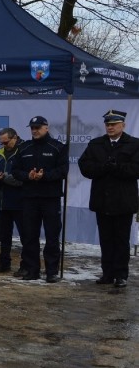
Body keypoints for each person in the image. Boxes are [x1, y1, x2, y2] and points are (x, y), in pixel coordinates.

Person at [78, 110, 139, 288]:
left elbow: (136, 170)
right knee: (106, 239)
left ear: (123, 125)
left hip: (123, 201)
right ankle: (107, 273)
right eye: (108, 124)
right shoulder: (96, 144)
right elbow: (85, 166)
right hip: (102, 200)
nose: (110, 127)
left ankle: (121, 274)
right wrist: (103, 168)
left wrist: (117, 168)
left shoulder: (134, 144)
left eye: (114, 124)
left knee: (121, 239)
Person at [12, 116, 69, 283]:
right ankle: (32, 270)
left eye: (38, 127)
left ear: (46, 128)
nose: (34, 130)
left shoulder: (58, 147)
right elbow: (15, 170)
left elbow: (63, 170)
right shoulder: (23, 148)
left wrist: (45, 176)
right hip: (29, 198)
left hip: (50, 198)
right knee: (29, 236)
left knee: (52, 236)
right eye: (32, 128)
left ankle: (51, 271)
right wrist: (27, 176)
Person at [0, 128, 24, 273]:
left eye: (6, 142)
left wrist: (5, 177)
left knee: (25, 236)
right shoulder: (0, 154)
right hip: (2, 201)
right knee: (4, 235)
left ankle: (26, 264)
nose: (3, 145)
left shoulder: (23, 152)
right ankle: (4, 262)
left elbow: (22, 177)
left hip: (20, 201)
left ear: (15, 137)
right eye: (1, 143)